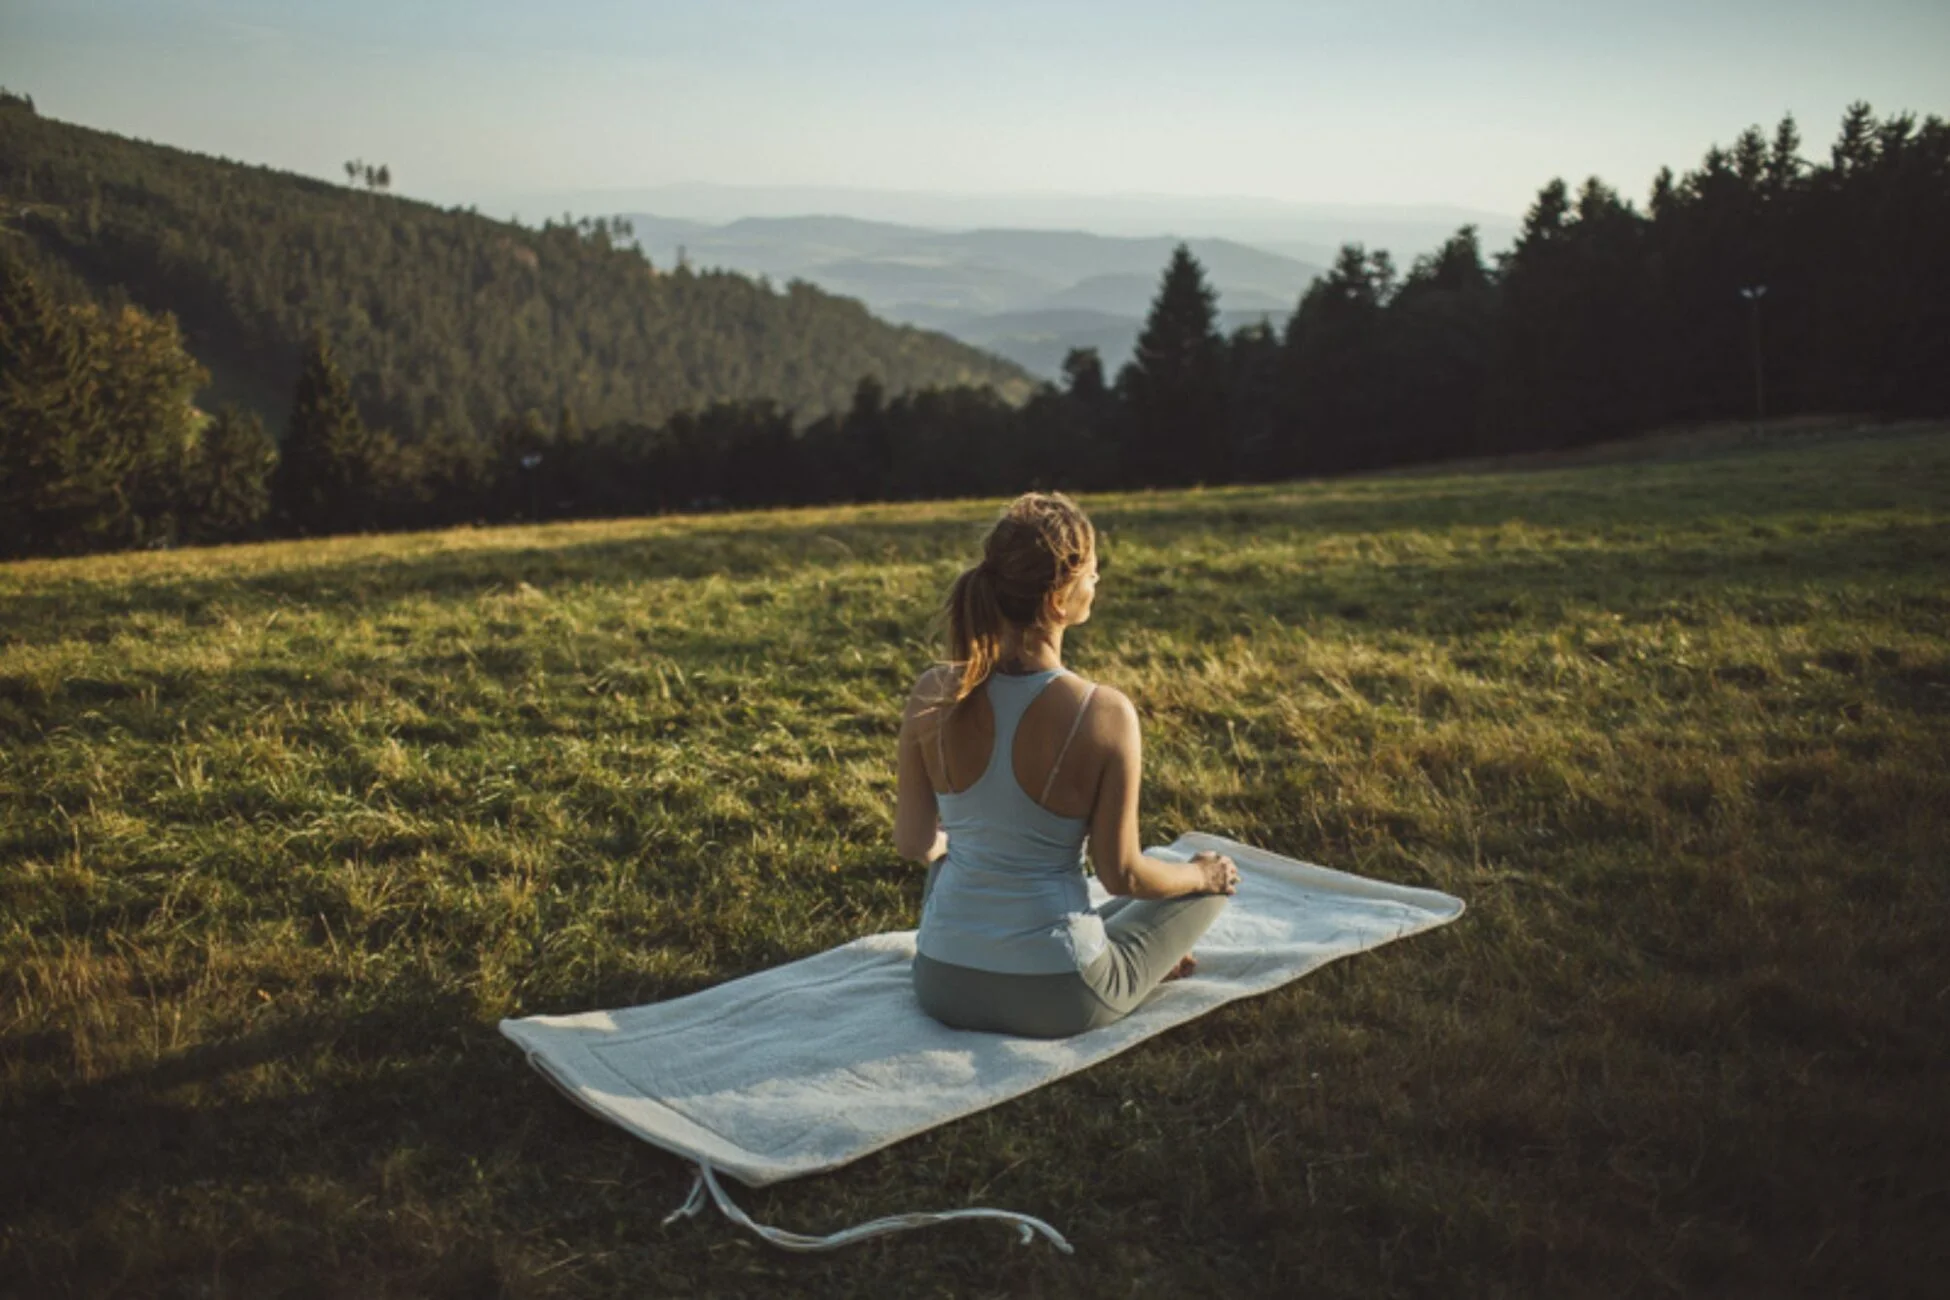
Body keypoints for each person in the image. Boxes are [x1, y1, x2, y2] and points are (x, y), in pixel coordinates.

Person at [893, 491, 1240, 1039]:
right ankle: (1153, 958)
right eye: (1093, 574)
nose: (1098, 583)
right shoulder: (1105, 712)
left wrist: (967, 843)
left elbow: (915, 843)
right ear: (1059, 599)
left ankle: (1131, 949)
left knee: (957, 863)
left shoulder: (932, 692)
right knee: (1208, 886)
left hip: (941, 982)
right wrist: (1201, 873)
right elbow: (1120, 873)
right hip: (1060, 995)